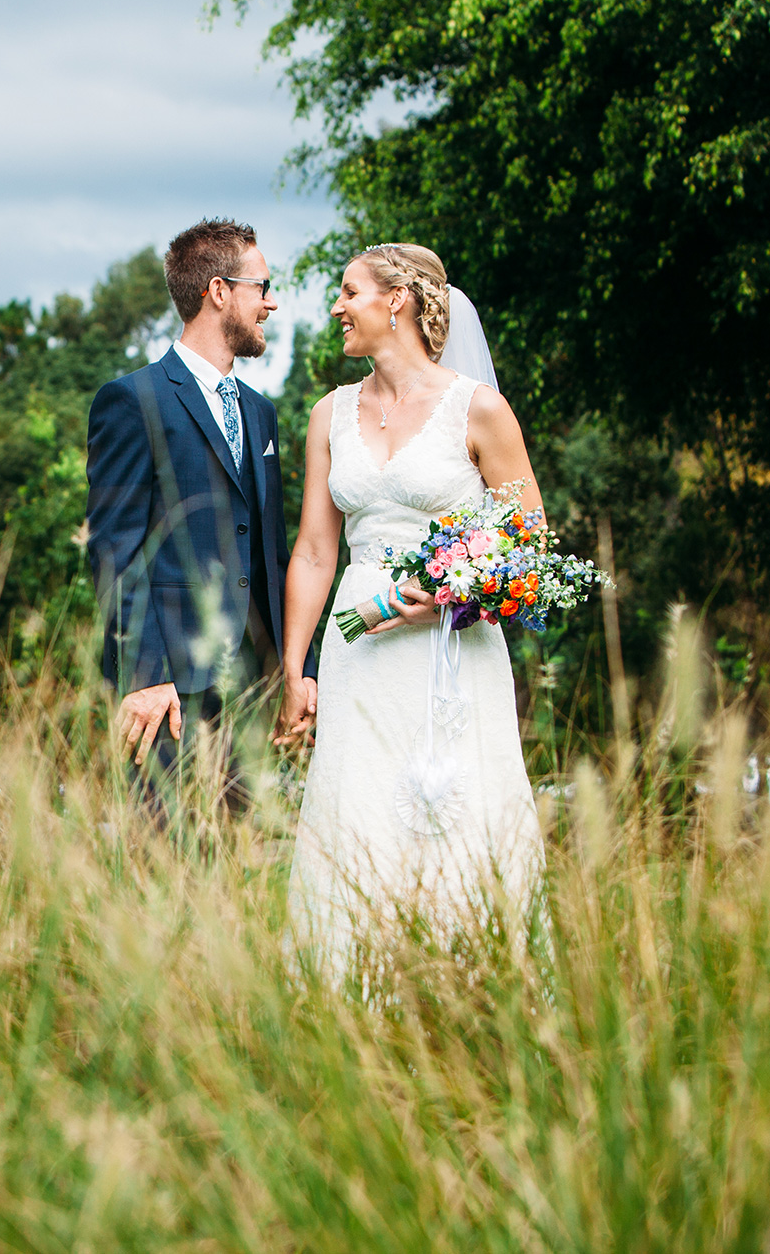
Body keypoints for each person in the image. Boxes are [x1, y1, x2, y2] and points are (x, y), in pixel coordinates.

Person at [271, 243, 544, 968]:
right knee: (357, 808)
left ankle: (470, 984)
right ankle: (350, 996)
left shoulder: (479, 409)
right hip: (357, 647)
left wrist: (457, 592)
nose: (337, 307)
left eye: (349, 292)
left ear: (396, 300)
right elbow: (313, 551)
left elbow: (530, 545)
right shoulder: (329, 414)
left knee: (455, 815)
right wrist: (295, 669)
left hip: (449, 649)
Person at [85, 218, 309, 830]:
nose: (271, 301)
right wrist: (146, 677)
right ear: (218, 290)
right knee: (165, 868)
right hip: (169, 695)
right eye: (261, 286)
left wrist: (296, 669)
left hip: (252, 689)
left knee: (240, 874)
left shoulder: (260, 415)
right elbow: (114, 552)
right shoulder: (134, 401)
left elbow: (272, 552)